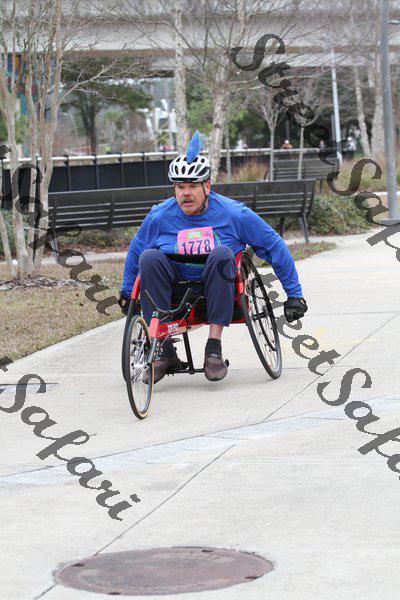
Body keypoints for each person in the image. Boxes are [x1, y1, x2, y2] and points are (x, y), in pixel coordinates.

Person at [119, 131, 308, 384]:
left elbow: (273, 245)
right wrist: (127, 291)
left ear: (207, 186)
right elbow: (136, 250)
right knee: (149, 257)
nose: (186, 193)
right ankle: (163, 351)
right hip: (174, 284)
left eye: (192, 186)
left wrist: (294, 294)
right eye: (180, 187)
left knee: (222, 255)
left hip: (218, 283)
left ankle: (214, 349)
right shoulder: (159, 216)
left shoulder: (234, 214)